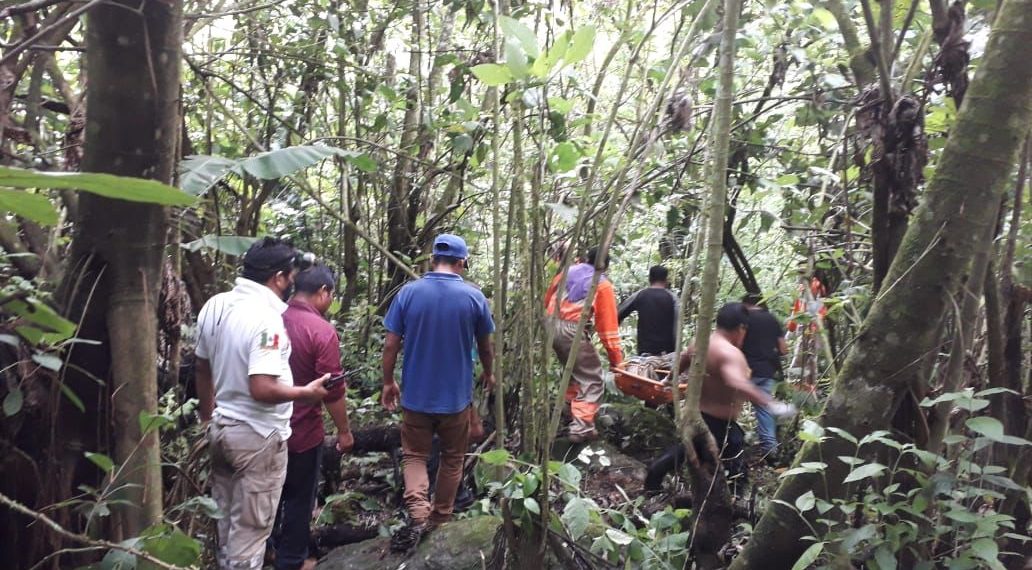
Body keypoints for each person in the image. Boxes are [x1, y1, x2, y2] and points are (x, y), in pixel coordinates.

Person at [194, 237, 330, 570]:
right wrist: (305, 393)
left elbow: (202, 365)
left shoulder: (216, 305)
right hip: (257, 437)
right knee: (251, 536)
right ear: (279, 278)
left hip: (222, 430)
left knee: (226, 527)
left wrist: (208, 417)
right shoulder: (267, 319)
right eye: (291, 276)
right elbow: (262, 387)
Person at [381, 233, 495, 553]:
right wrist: (489, 373)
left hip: (416, 395)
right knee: (452, 458)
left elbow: (391, 343)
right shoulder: (474, 298)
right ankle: (440, 517)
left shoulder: (408, 293)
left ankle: (418, 511)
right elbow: (485, 347)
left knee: (415, 455)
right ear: (461, 263)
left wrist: (388, 381)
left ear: (433, 260)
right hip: (455, 399)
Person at [643, 303, 795, 492]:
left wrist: (668, 379)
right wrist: (771, 403)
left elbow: (683, 358)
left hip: (697, 415)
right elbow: (737, 382)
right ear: (741, 328)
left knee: (685, 450)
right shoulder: (730, 354)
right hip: (720, 425)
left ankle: (653, 480)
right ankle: (735, 503)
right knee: (736, 468)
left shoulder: (700, 342)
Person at [271, 264, 354, 570]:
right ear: (323, 292)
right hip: (302, 433)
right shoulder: (321, 330)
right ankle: (291, 561)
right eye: (331, 295)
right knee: (298, 500)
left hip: (264, 430)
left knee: (269, 497)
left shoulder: (272, 319)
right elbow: (332, 390)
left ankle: (268, 549)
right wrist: (344, 432)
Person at [544, 246, 623, 442]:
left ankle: (566, 411)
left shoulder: (568, 270)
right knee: (593, 378)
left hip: (549, 323)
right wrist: (617, 361)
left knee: (575, 372)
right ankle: (581, 427)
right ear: (604, 266)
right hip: (571, 328)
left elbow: (548, 298)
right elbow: (608, 329)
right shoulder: (602, 284)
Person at [741, 293, 788, 457]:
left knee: (729, 406)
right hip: (766, 371)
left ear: (745, 304)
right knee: (764, 410)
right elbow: (784, 349)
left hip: (742, 371)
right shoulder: (772, 319)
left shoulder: (743, 319)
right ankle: (770, 450)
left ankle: (729, 445)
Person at [618, 265, 679, 355]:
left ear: (650, 278)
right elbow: (677, 326)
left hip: (645, 351)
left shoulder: (640, 295)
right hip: (667, 353)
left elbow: (618, 313)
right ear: (666, 280)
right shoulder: (672, 298)